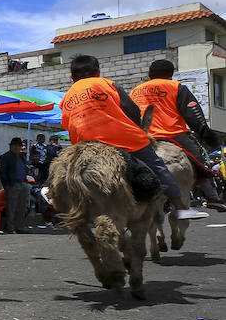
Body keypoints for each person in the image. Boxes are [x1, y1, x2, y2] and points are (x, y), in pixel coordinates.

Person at [59, 54, 205, 221]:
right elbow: (132, 110)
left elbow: (66, 123)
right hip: (122, 139)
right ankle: (180, 207)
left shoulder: (66, 98)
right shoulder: (107, 84)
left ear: (72, 77)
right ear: (98, 72)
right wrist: (137, 127)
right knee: (158, 167)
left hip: (85, 145)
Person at [130, 59, 224, 210]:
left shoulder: (135, 90)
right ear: (171, 75)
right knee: (198, 161)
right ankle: (212, 196)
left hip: (143, 137)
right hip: (173, 134)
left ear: (150, 74)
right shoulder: (176, 87)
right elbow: (193, 115)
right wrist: (208, 136)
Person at [0, 138, 31, 233]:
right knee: (11, 207)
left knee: (22, 207)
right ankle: (10, 227)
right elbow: (2, 172)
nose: (17, 147)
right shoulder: (5, 157)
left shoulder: (22, 157)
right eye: (15, 145)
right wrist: (7, 185)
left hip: (23, 183)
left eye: (19, 146)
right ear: (10, 146)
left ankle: (20, 226)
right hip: (12, 184)